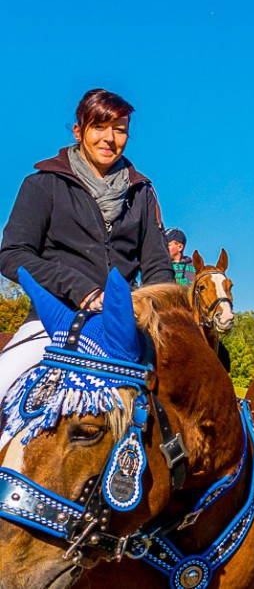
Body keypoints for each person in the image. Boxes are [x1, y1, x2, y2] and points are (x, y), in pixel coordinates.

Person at [0, 88, 173, 409]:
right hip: (51, 324)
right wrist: (81, 289)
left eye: (119, 130)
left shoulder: (142, 193)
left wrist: (151, 308)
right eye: (99, 127)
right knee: (2, 380)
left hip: (125, 329)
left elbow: (158, 268)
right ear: (79, 131)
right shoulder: (42, 184)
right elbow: (12, 255)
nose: (110, 138)